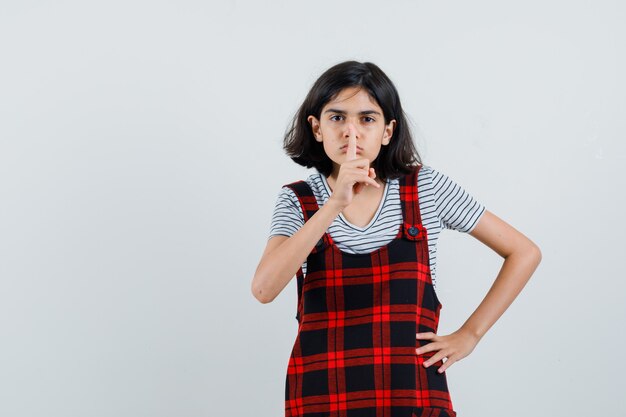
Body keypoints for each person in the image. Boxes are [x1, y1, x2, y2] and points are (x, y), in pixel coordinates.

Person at [251, 60, 542, 417]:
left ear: (388, 131)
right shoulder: (298, 200)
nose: (351, 132)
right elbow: (263, 289)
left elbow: (524, 252)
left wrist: (470, 334)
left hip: (413, 397)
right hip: (322, 395)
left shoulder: (425, 188)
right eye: (337, 117)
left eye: (367, 118)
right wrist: (333, 205)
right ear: (316, 128)